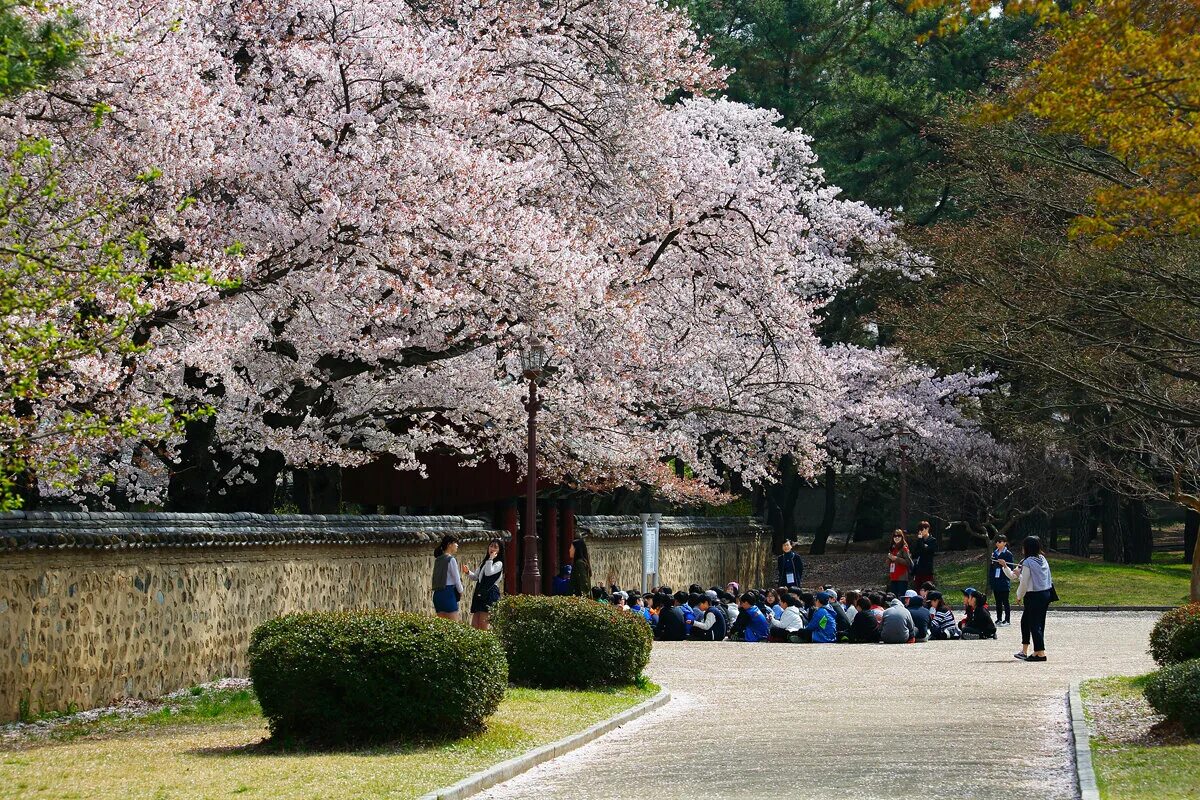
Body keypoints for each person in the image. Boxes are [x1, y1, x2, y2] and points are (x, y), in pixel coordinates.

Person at [1006, 535, 1055, 662]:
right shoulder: (1042, 559)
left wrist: (1019, 595)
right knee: (1035, 622)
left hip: (1034, 595)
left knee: (1034, 624)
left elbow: (1024, 582)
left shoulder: (1027, 562)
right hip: (1046, 593)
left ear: (1027, 548)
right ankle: (1035, 651)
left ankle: (1040, 653)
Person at [465, 538, 503, 629]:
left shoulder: (499, 563)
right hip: (480, 592)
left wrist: (491, 559)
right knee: (474, 624)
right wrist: (468, 572)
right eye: (491, 546)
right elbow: (476, 577)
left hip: (490, 593)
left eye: (495, 547)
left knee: (483, 624)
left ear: (499, 550)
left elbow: (488, 573)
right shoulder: (485, 562)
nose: (492, 549)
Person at [431, 534, 464, 620]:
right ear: (449, 544)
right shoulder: (451, 559)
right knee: (454, 625)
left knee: (442, 625)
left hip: (437, 595)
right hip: (448, 593)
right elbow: (457, 579)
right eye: (455, 543)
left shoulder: (438, 560)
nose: (457, 545)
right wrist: (461, 591)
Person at [989, 535, 1015, 626]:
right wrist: (991, 579)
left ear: (1005, 543)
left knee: (1005, 601)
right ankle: (999, 618)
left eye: (1000, 542)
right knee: (998, 601)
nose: (997, 543)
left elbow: (1011, 568)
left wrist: (1004, 565)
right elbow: (991, 567)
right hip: (996, 580)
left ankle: (1007, 619)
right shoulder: (994, 553)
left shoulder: (1008, 554)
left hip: (1004, 580)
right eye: (996, 542)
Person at [886, 529, 914, 596]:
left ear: (902, 537)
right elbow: (888, 564)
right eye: (895, 536)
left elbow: (908, 562)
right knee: (893, 597)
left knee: (902, 597)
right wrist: (889, 558)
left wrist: (897, 559)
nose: (897, 537)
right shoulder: (892, 548)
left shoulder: (904, 548)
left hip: (902, 578)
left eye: (899, 536)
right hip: (893, 577)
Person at [910, 521, 937, 589]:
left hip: (927, 570)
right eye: (919, 530)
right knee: (918, 589)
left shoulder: (932, 540)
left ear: (927, 529)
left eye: (922, 529)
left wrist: (922, 544)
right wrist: (921, 542)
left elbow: (927, 551)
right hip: (918, 569)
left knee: (927, 589)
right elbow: (915, 554)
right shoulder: (919, 540)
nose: (920, 532)